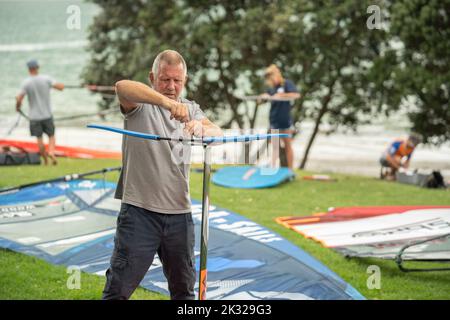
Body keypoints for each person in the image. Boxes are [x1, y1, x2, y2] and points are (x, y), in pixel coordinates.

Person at [103, 50, 222, 300]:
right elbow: (122, 87)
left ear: (185, 81)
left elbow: (217, 132)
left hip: (180, 215)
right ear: (152, 77)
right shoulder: (140, 105)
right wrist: (168, 104)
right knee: (117, 292)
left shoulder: (191, 108)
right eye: (165, 79)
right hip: (139, 214)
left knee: (184, 293)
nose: (171, 86)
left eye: (177, 81)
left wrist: (201, 126)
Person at [15, 59, 64, 165]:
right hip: (47, 114)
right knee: (51, 135)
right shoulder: (46, 79)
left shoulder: (26, 82)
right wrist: (62, 86)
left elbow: (19, 98)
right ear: (37, 67)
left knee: (39, 138)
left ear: (29, 69)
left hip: (34, 117)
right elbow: (60, 87)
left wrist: (17, 107)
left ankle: (45, 160)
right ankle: (51, 152)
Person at [259, 64, 300, 169]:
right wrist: (263, 97)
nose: (271, 80)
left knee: (288, 146)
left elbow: (296, 95)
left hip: (285, 121)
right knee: (274, 147)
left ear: (277, 74)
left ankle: (290, 170)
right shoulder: (272, 88)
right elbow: (260, 102)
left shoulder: (286, 84)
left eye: (272, 77)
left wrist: (281, 95)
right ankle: (272, 168)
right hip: (274, 121)